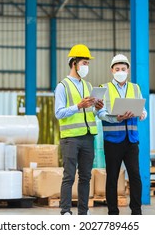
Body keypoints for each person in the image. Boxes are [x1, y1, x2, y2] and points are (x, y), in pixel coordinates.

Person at [54, 44, 104, 215]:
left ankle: (83, 211)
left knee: (85, 176)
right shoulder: (63, 86)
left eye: (88, 64)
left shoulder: (89, 86)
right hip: (71, 138)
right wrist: (78, 106)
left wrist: (98, 107)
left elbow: (92, 113)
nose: (86, 67)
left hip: (88, 137)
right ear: (74, 63)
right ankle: (65, 211)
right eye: (84, 63)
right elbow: (59, 113)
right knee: (69, 176)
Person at [97, 54, 147, 215]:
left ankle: (137, 211)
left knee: (135, 175)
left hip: (131, 140)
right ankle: (113, 212)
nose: (120, 71)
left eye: (123, 69)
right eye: (117, 69)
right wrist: (115, 118)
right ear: (112, 70)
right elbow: (99, 113)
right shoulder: (103, 88)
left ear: (128, 70)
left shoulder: (135, 88)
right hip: (112, 140)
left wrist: (142, 114)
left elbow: (142, 107)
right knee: (112, 177)